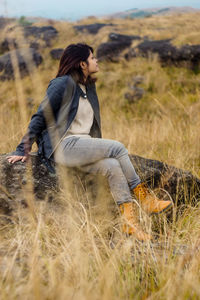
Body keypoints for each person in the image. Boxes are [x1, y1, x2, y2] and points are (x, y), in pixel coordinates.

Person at [7, 43, 172, 241]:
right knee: (117, 148)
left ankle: (130, 225)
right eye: (92, 58)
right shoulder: (62, 84)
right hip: (63, 146)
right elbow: (40, 117)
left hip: (82, 145)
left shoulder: (88, 87)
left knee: (112, 165)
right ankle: (146, 199)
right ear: (82, 64)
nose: (96, 61)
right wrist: (22, 149)